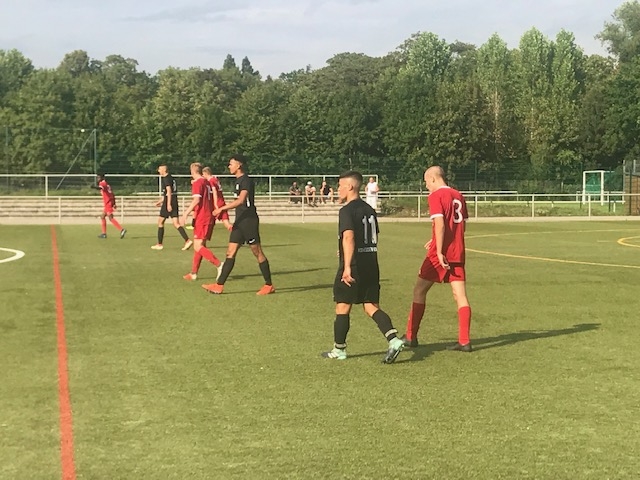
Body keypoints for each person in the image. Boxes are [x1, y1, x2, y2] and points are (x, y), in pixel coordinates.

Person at [321, 170, 405, 364]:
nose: (338, 189)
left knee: (342, 306)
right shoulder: (369, 210)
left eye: (340, 186)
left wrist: (347, 265)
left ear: (350, 186)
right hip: (371, 263)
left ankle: (339, 350)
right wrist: (345, 251)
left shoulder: (347, 210)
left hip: (355, 265)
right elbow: (371, 237)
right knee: (370, 306)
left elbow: (349, 236)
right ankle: (394, 340)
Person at [401, 166, 472, 352]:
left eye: (426, 182)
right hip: (457, 251)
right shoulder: (459, 195)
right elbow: (461, 227)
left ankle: (410, 336)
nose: (426, 186)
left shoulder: (436, 196)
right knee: (460, 295)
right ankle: (464, 341)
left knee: (419, 290)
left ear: (433, 178)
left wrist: (439, 250)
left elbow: (440, 224)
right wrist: (437, 239)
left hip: (439, 254)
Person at [202, 154, 275, 295]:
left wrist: (221, 209)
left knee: (257, 252)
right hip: (239, 222)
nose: (229, 166)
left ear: (239, 165)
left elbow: (241, 200)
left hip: (249, 222)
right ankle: (219, 285)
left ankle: (269, 285)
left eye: (231, 164)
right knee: (230, 252)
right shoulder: (237, 181)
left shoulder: (246, 180)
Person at [181, 162, 224, 282]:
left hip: (203, 217)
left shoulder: (198, 182)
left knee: (198, 246)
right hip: (208, 216)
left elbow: (196, 200)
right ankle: (194, 273)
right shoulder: (207, 182)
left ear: (192, 171)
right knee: (200, 246)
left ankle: (219, 264)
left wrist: (185, 213)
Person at [151, 164, 193, 251]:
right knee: (176, 223)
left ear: (164, 170)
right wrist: (160, 201)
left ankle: (159, 244)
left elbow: (169, 191)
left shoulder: (166, 178)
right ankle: (187, 240)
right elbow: (168, 193)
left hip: (169, 202)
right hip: (174, 201)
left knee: (160, 222)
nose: (158, 171)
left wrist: (168, 204)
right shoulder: (171, 178)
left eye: (159, 169)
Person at [91, 173, 126, 239]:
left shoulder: (103, 183)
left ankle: (121, 229)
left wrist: (94, 187)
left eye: (99, 177)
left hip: (108, 203)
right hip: (109, 202)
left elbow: (100, 188)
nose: (97, 179)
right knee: (102, 216)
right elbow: (112, 194)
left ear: (102, 178)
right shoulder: (107, 184)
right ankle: (104, 234)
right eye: (97, 177)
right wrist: (114, 203)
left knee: (110, 218)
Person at [202, 166, 233, 232]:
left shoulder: (211, 181)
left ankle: (203, 233)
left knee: (209, 219)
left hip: (217, 203)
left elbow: (214, 191)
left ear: (206, 173)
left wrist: (215, 204)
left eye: (203, 174)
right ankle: (235, 231)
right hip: (222, 202)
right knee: (226, 221)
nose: (203, 176)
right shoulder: (215, 179)